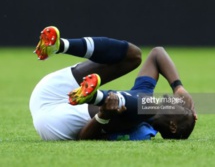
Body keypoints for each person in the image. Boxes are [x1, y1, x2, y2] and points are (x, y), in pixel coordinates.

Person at [30, 26, 196, 141]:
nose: (180, 100)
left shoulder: (142, 132)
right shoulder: (144, 97)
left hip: (54, 123)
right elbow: (157, 53)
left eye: (182, 107)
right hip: (48, 92)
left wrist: (103, 116)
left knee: (147, 105)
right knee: (133, 55)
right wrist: (178, 86)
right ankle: (61, 45)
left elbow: (84, 137)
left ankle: (95, 96)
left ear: (173, 126)